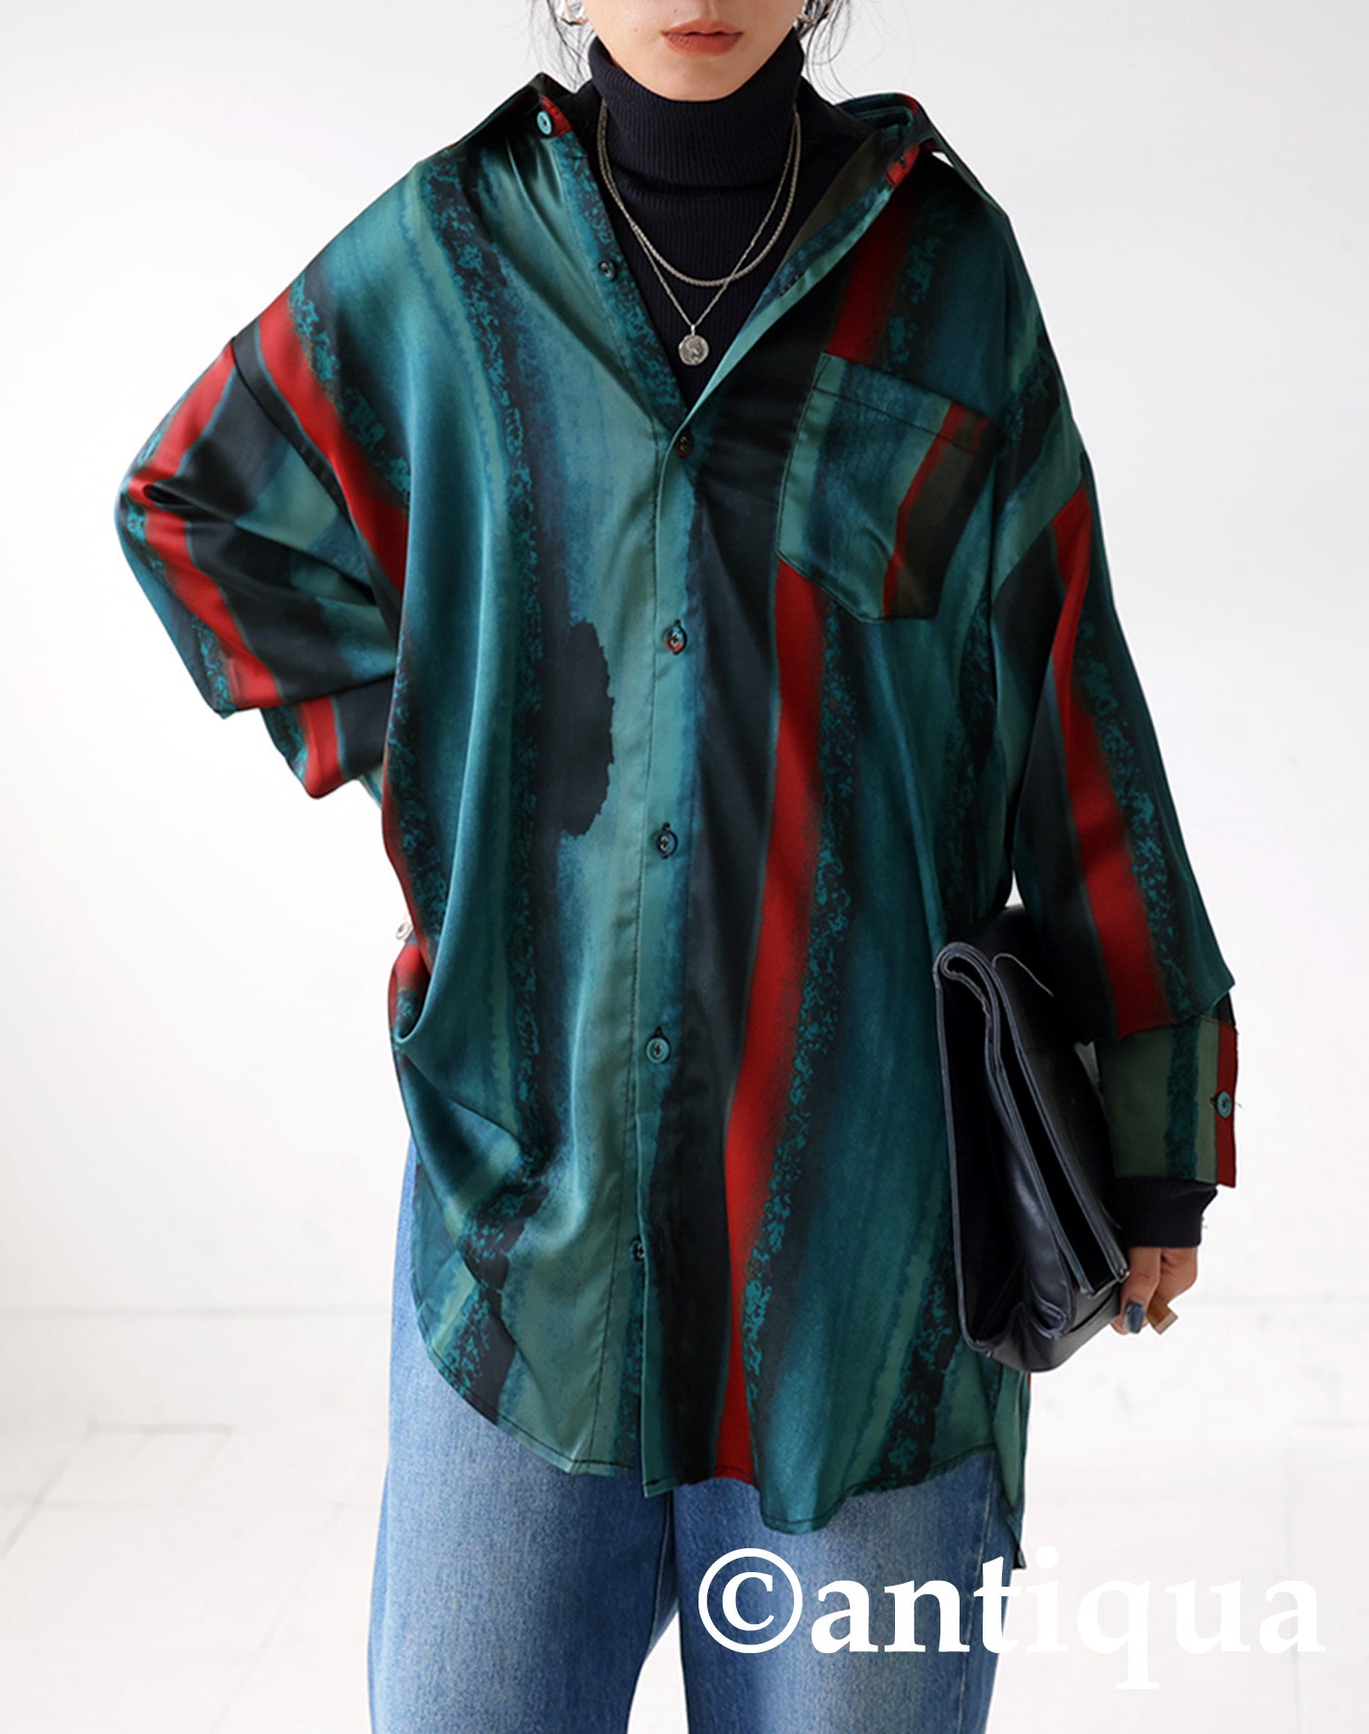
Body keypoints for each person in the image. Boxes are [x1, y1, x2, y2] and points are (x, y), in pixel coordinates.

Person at [111, 2, 1240, 1728]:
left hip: (865, 1265)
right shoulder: (451, 261)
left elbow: (1066, 694)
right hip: (526, 1232)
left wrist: (1156, 1130)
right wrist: (444, 757)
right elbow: (198, 509)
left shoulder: (945, 274)